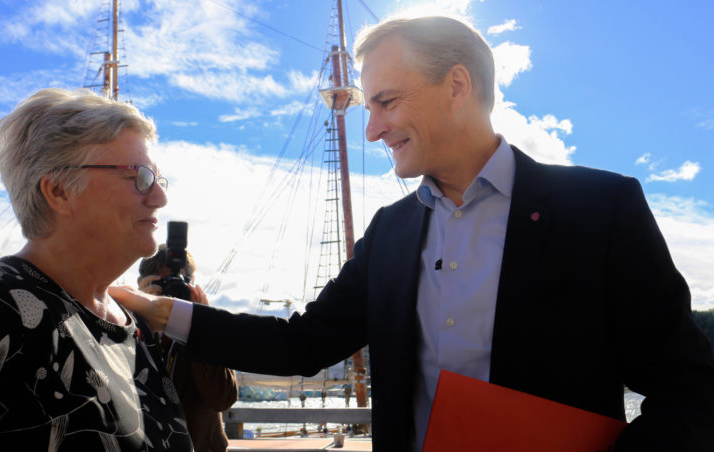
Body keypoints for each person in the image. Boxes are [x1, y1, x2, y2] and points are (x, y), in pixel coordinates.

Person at [111, 15, 714, 451]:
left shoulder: (601, 209)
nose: (372, 129)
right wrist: (159, 311)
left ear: (457, 86)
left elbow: (690, 387)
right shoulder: (391, 233)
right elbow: (302, 344)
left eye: (386, 102)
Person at [0, 88, 193, 451]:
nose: (161, 197)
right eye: (141, 177)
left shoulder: (135, 326)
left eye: (159, 180)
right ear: (59, 191)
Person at [137, 245, 237, 452]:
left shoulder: (210, 328)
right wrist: (138, 318)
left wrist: (202, 326)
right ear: (142, 284)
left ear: (192, 283)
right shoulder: (127, 326)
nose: (172, 292)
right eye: (163, 284)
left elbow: (222, 399)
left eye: (180, 282)